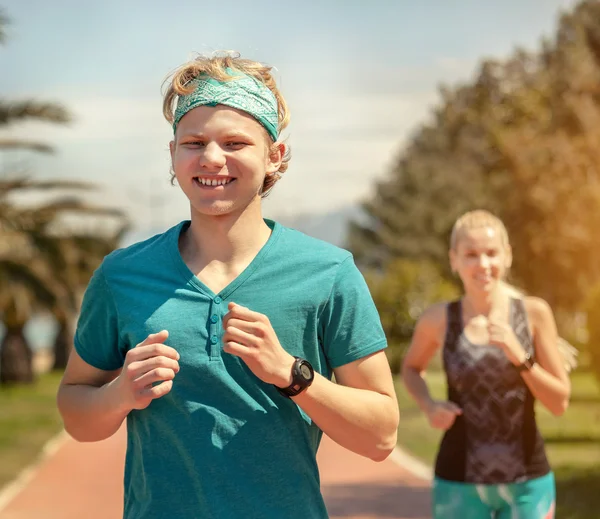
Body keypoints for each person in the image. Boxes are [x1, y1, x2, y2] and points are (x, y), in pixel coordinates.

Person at [56, 52, 399, 519]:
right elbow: (76, 413)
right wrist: (119, 395)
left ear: (274, 155)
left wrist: (289, 374)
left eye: (235, 142)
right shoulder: (121, 275)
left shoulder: (329, 272)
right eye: (193, 142)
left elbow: (382, 436)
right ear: (173, 154)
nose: (212, 158)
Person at [402, 210, 570, 519]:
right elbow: (410, 369)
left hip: (528, 484)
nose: (483, 264)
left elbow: (559, 402)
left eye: (492, 253)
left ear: (507, 256)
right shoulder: (438, 319)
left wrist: (519, 355)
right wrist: (428, 405)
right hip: (457, 480)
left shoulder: (533, 315)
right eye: (471, 255)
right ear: (454, 260)